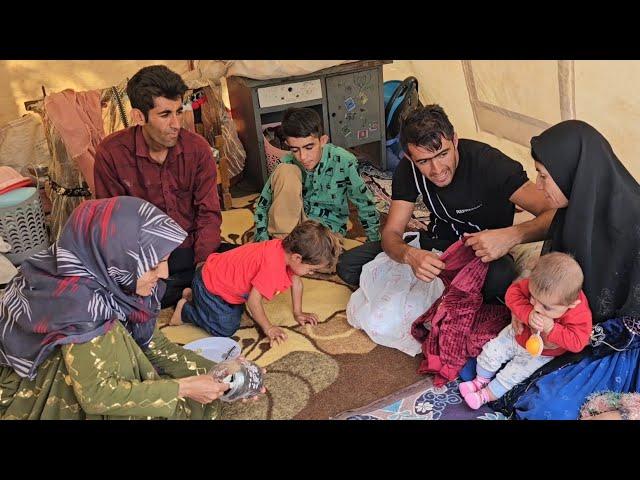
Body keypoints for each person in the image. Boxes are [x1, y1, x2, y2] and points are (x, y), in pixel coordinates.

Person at [0, 196, 262, 420]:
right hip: (34, 393)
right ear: (119, 258)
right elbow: (96, 395)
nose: (164, 273)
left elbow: (155, 347)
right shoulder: (79, 304)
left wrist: (221, 373)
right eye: (153, 264)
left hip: (87, 372)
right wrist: (182, 388)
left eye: (164, 260)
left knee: (136, 356)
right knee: (116, 341)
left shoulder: (112, 276)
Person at [490, 120, 640, 420]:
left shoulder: (634, 222)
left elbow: (634, 325)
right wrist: (525, 314)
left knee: (546, 408)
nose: (540, 187)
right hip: (564, 325)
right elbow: (550, 277)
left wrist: (573, 334)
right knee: (488, 361)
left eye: (544, 177)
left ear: (573, 172)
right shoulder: (573, 212)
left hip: (617, 345)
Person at [337, 104, 554, 304]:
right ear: (410, 158)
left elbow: (553, 212)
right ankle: (445, 292)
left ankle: (437, 293)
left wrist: (511, 235)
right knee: (349, 265)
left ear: (455, 141)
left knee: (500, 277)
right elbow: (392, 232)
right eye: (423, 161)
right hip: (438, 247)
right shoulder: (407, 170)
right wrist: (409, 255)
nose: (437, 169)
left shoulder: (489, 163)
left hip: (482, 254)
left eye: (443, 154)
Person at [94, 65, 233, 309]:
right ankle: (180, 294)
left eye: (179, 112)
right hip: (144, 262)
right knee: (98, 292)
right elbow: (112, 226)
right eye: (165, 114)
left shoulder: (197, 150)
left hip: (192, 250)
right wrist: (148, 270)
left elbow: (208, 215)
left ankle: (191, 289)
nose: (176, 124)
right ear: (139, 116)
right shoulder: (111, 154)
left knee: (249, 266)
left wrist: (204, 270)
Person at [171, 220, 342, 346]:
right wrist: (268, 328)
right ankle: (184, 311)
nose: (311, 274)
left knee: (234, 312)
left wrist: (298, 312)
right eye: (311, 269)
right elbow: (253, 301)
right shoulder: (272, 267)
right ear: (297, 258)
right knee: (225, 328)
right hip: (211, 285)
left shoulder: (284, 250)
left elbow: (296, 282)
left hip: (215, 277)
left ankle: (195, 297)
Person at [460, 252, 592, 409]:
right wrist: (526, 313)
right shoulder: (537, 287)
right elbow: (512, 294)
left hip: (541, 353)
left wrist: (552, 328)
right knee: (491, 351)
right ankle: (480, 380)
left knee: (512, 375)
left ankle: (485, 395)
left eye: (546, 307)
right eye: (533, 298)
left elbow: (578, 342)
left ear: (571, 305)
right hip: (518, 332)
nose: (536, 307)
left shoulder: (579, 314)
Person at [253, 107, 380, 246]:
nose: (303, 157)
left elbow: (364, 202)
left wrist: (374, 242)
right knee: (286, 171)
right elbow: (263, 205)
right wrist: (262, 242)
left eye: (309, 147)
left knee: (312, 252)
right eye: (295, 150)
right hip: (291, 226)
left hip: (326, 230)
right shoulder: (288, 162)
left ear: (323, 140)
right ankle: (280, 246)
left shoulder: (344, 161)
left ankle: (290, 250)